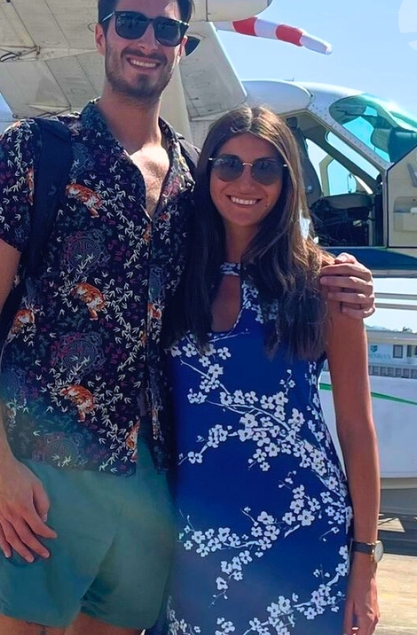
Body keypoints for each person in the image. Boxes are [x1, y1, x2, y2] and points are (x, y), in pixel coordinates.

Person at [0, 0, 376, 635]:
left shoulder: (190, 181)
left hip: (151, 481)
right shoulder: (32, 151)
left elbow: (257, 235)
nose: (146, 40)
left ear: (184, 46)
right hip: (44, 463)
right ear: (101, 35)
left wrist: (342, 274)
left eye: (165, 29)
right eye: (130, 23)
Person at [163, 105, 381, 635]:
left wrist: (365, 563)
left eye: (266, 168)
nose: (246, 181)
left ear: (288, 181)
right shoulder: (169, 272)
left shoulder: (326, 284)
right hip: (192, 545)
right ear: (206, 173)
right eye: (229, 164)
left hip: (302, 544)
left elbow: (355, 428)